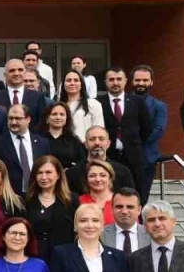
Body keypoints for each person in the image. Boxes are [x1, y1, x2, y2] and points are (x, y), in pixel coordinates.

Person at [99, 67, 152, 196]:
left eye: (119, 79)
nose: (115, 83)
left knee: (136, 192)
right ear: (106, 82)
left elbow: (146, 128)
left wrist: (134, 143)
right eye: (111, 79)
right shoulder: (98, 103)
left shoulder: (137, 102)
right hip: (108, 156)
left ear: (126, 81)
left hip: (134, 157)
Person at [0, 104, 51, 196]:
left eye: (18, 118)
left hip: (38, 194)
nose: (13, 122)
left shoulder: (42, 143)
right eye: (10, 118)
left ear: (28, 119)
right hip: (9, 196)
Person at [25, 155, 76, 263]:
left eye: (48, 172)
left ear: (58, 175)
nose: (44, 177)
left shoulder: (72, 200)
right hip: (33, 258)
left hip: (64, 258)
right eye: (39, 173)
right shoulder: (26, 200)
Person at [130, 65, 167, 203]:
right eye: (137, 80)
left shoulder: (159, 106)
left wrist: (134, 143)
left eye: (145, 80)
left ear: (151, 82)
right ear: (132, 81)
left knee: (142, 199)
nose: (141, 83)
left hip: (147, 158)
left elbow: (158, 129)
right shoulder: (122, 102)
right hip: (123, 159)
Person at [60, 70, 104, 142]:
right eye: (68, 80)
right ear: (63, 84)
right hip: (63, 145)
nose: (72, 83)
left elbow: (99, 129)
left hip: (86, 145)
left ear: (82, 84)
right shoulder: (58, 106)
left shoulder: (93, 104)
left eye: (76, 80)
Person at [43, 103, 86, 170]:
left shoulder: (74, 140)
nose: (58, 117)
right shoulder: (39, 139)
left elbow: (81, 162)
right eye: (54, 114)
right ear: (47, 118)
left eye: (62, 114)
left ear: (66, 119)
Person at [78, 159, 118, 225]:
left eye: (103, 175)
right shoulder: (78, 202)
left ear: (110, 178)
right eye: (92, 176)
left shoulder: (120, 201)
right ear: (86, 179)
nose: (98, 179)